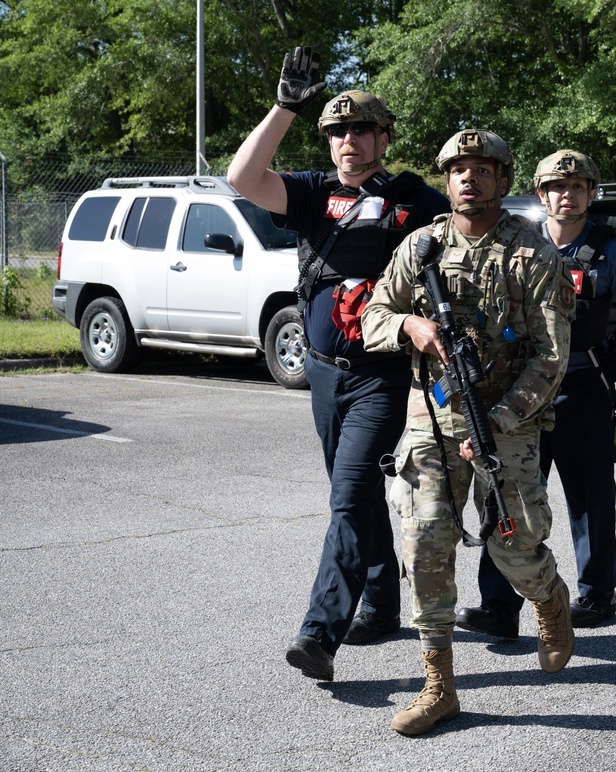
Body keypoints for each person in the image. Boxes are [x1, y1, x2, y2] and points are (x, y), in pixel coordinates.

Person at [227, 47, 450, 681]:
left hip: (385, 373)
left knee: (350, 494)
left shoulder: (413, 199)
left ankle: (319, 634)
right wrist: (285, 107)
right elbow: (243, 177)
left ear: (384, 137)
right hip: (325, 371)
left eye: (360, 130)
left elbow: (461, 248)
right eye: (337, 132)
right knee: (350, 495)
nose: (348, 141)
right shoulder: (309, 193)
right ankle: (379, 605)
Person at [360, 129, 577, 735]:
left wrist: (502, 418)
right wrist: (409, 325)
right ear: (446, 178)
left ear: (504, 181)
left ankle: (548, 597)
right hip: (430, 417)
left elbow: (551, 357)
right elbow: (372, 315)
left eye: (483, 169)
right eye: (458, 169)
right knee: (426, 540)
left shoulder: (532, 254)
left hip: (505, 420)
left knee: (514, 550)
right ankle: (439, 684)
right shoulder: (421, 247)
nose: (469, 178)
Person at [454, 149, 616, 637]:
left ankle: (596, 593)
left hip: (584, 388)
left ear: (591, 194)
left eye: (579, 187)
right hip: (519, 392)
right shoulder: (515, 241)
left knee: (590, 497)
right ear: (541, 194)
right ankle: (499, 607)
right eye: (558, 188)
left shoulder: (609, 247)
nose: (568, 195)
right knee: (508, 497)